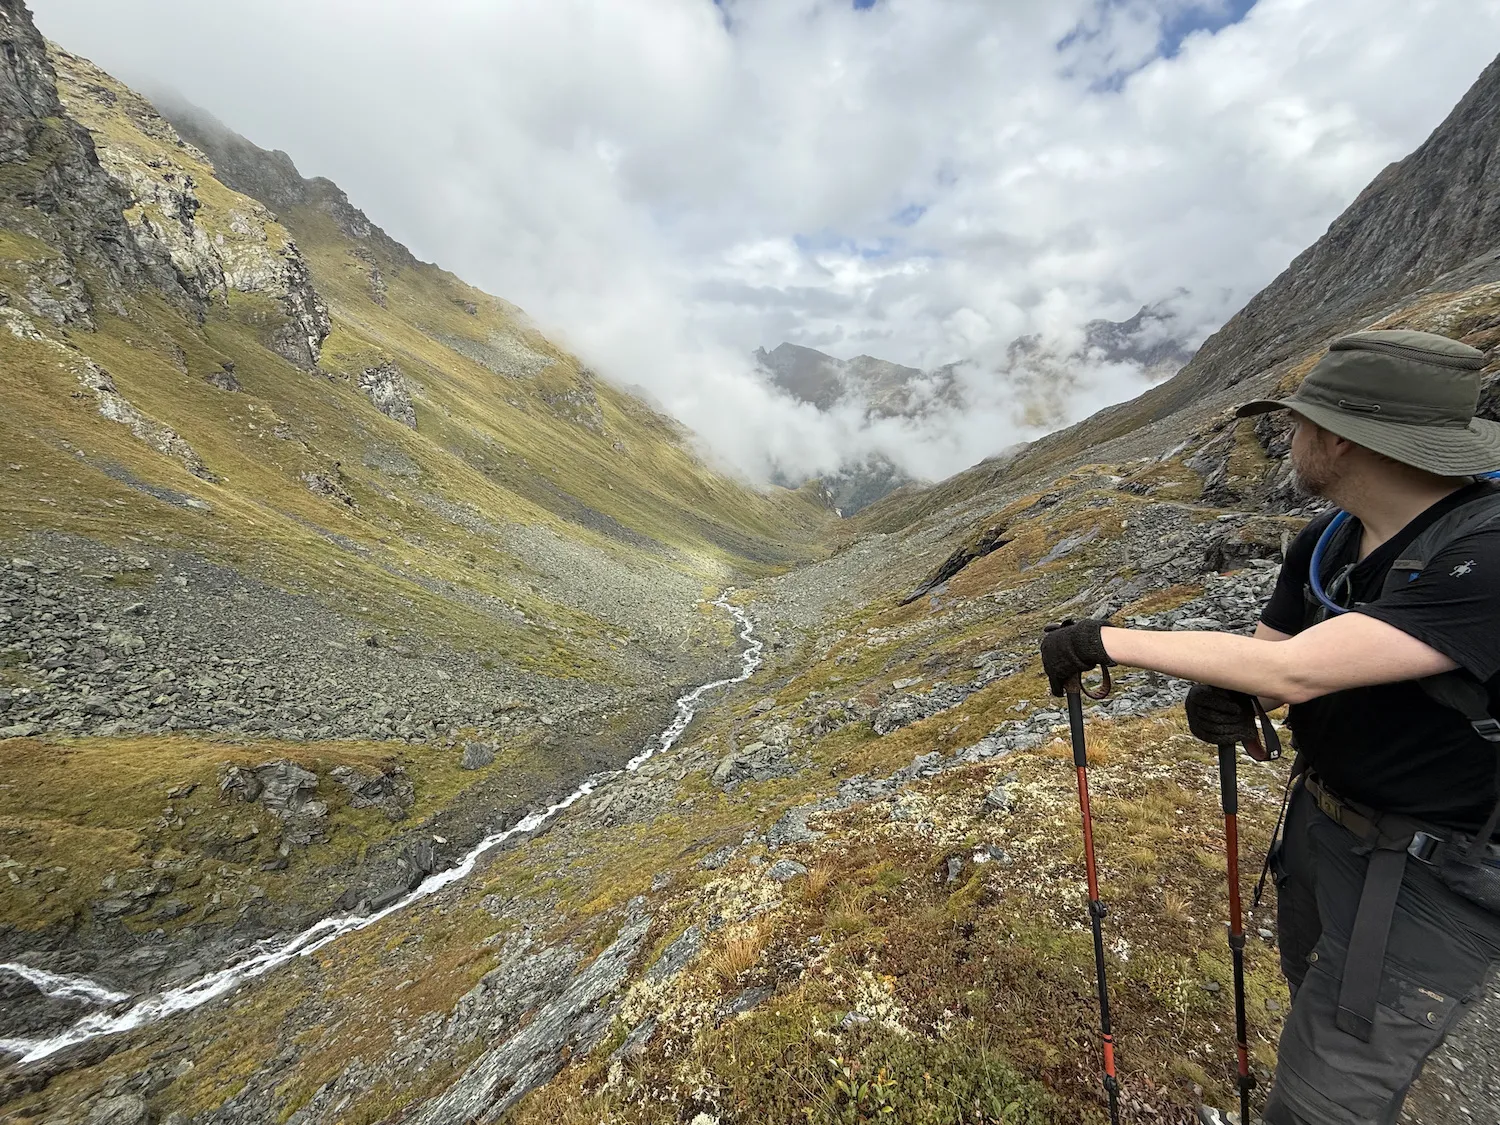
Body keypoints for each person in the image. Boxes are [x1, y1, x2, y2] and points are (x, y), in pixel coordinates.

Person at [1040, 329, 1500, 1125]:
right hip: (1319, 826)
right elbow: (1271, 664)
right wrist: (1229, 697)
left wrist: (1100, 640)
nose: (1288, 436)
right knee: (1313, 999)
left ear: (1343, 438)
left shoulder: (1485, 554)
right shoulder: (1327, 540)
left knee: (1324, 1103)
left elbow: (1299, 671)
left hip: (1432, 871)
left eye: (1299, 421)